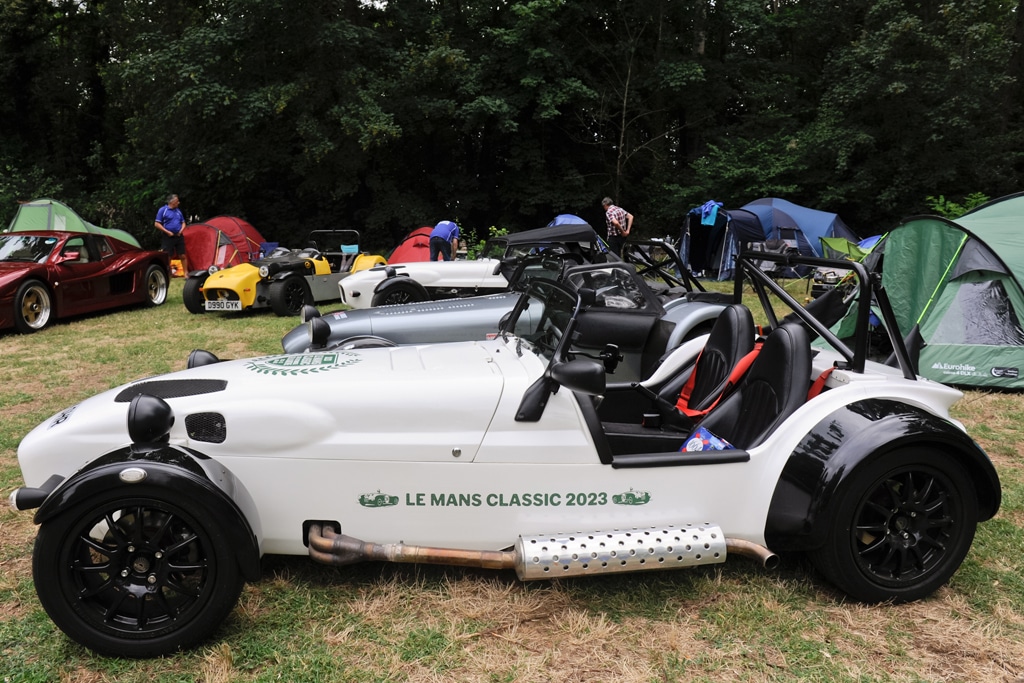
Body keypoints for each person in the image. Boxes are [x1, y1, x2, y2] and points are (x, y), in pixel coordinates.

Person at [155, 194, 189, 272]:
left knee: (182, 255)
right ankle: (167, 273)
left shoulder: (178, 211)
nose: (179, 203)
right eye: (177, 201)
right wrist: (167, 232)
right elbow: (157, 224)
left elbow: (183, 222)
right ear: (172, 202)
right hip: (168, 236)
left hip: (179, 236)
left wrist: (181, 230)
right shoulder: (163, 210)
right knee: (168, 256)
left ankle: (186, 273)